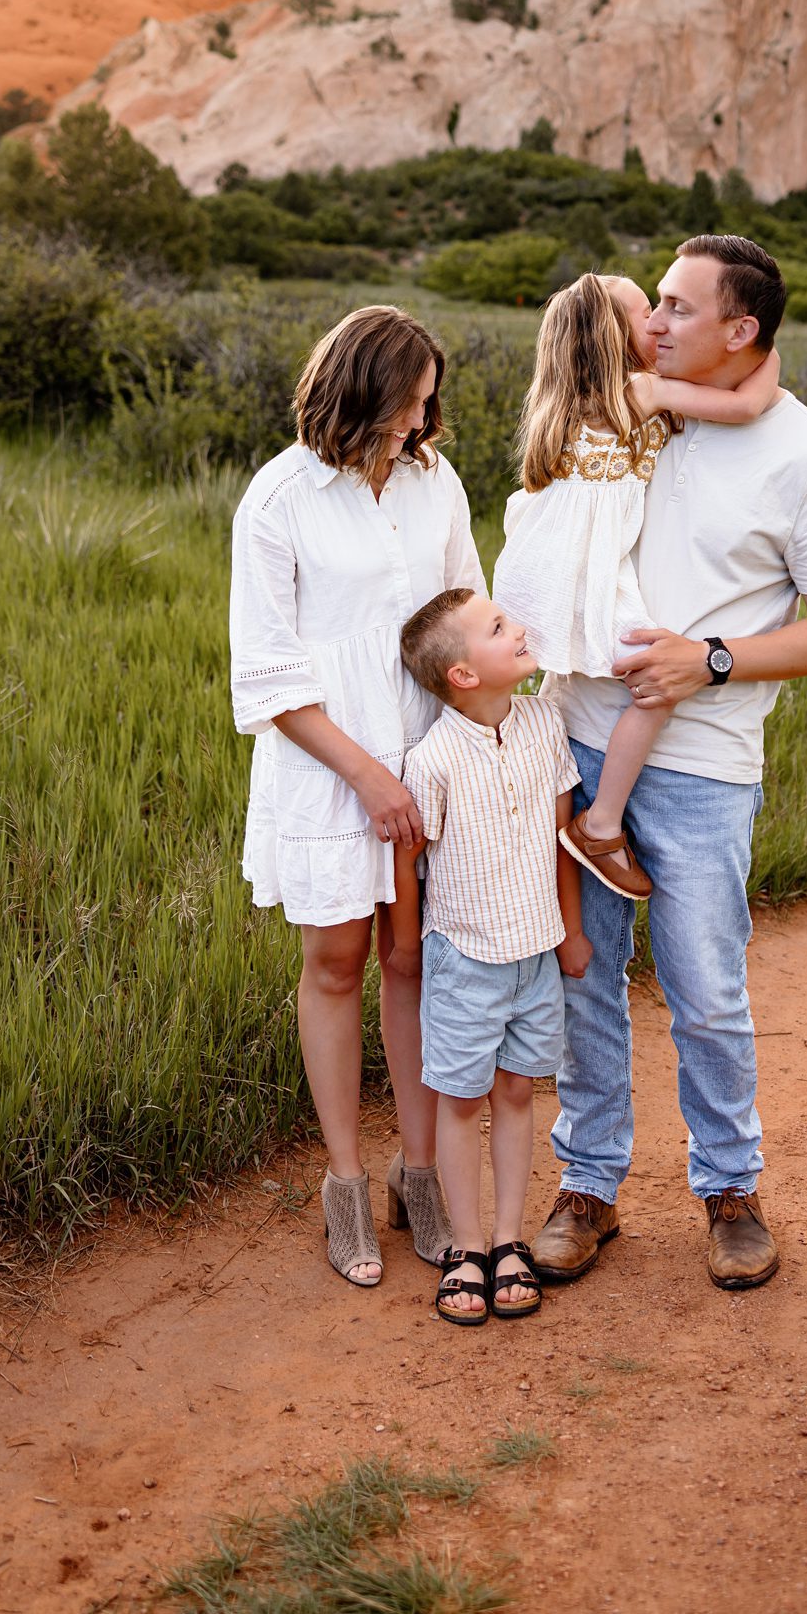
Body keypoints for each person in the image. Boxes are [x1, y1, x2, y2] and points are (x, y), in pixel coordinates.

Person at [534, 235, 807, 1291]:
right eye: (655, 304)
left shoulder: (805, 457)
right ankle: (588, 1182)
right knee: (582, 979)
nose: (657, 323)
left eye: (680, 307)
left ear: (744, 331)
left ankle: (730, 1187)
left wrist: (712, 659)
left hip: (705, 764)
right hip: (575, 738)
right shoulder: (639, 406)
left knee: (705, 990)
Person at [229, 304, 482, 1286]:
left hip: (425, 752)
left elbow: (463, 609)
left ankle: (417, 1171)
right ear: (362, 386)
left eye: (427, 403)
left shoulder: (434, 479)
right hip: (329, 762)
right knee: (336, 961)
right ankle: (342, 1182)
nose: (421, 420)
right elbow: (267, 673)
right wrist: (368, 776)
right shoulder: (279, 497)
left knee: (413, 960)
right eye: (409, 400)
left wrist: (467, 748)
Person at [492, 272, 780, 898]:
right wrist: (767, 351)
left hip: (540, 566)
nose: (656, 324)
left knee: (542, 686)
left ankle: (519, 808)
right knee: (655, 680)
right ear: (612, 337)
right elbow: (747, 404)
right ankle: (598, 826)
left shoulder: (558, 404)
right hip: (583, 568)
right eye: (645, 312)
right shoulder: (644, 389)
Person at [389, 587, 592, 1326]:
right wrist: (408, 947)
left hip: (535, 953)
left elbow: (562, 840)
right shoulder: (434, 757)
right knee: (462, 1099)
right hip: (464, 959)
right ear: (464, 675)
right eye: (500, 626)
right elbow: (413, 861)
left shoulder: (544, 723)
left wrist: (570, 931)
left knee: (516, 1094)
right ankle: (465, 1247)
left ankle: (509, 1239)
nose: (519, 628)